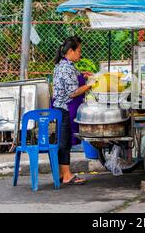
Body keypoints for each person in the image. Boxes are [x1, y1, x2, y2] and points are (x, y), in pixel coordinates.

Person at [53, 36, 93, 185]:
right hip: (64, 109)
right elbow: (73, 92)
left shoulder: (66, 65)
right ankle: (66, 175)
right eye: (79, 51)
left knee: (66, 142)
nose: (80, 54)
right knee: (64, 142)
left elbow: (73, 78)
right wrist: (91, 85)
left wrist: (83, 75)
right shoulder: (65, 67)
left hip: (63, 108)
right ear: (71, 50)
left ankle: (64, 174)